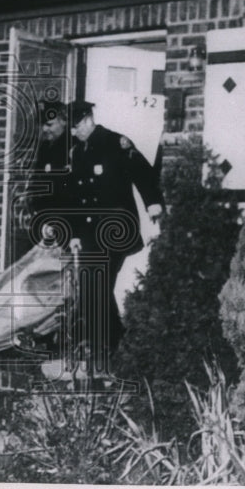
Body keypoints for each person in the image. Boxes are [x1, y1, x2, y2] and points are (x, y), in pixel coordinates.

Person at [66, 100, 164, 373]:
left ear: (87, 119)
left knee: (95, 285)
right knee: (91, 287)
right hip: (88, 234)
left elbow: (143, 172)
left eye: (75, 127)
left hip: (116, 230)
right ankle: (115, 342)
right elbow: (74, 197)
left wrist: (152, 202)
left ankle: (108, 346)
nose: (73, 133)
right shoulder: (77, 152)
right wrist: (73, 233)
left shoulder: (116, 143)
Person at [23, 99, 72, 249]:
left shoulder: (73, 146)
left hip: (66, 222)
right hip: (45, 223)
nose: (44, 129)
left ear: (63, 121)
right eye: (42, 124)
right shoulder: (45, 147)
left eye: (49, 124)